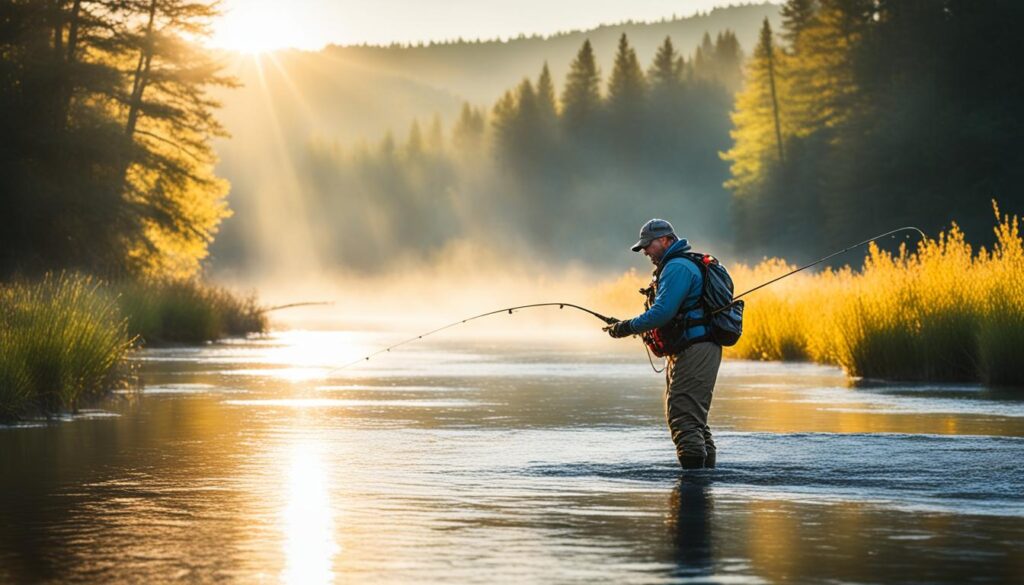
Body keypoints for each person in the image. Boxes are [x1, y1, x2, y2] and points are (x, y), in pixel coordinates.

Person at [605, 219, 723, 469]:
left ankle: (692, 496)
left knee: (684, 419)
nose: (645, 251)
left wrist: (626, 327)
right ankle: (704, 484)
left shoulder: (677, 267)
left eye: (648, 245)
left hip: (696, 348)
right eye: (643, 247)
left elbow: (662, 313)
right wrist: (628, 324)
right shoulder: (675, 266)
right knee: (692, 419)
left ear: (666, 240)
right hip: (689, 347)